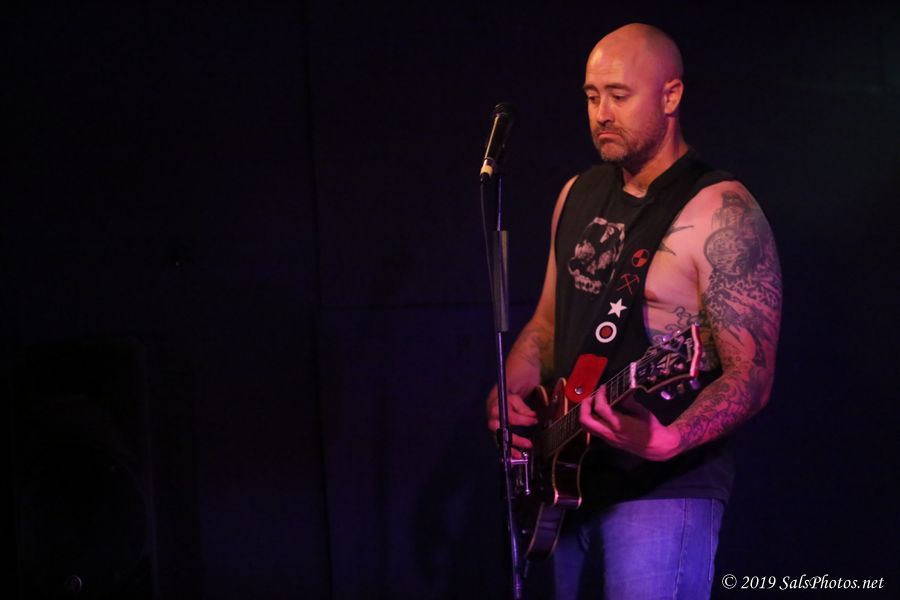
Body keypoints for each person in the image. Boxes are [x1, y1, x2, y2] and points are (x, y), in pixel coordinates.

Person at [485, 23, 782, 599]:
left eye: (619, 96)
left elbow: (753, 372)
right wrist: (511, 387)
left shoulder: (721, 211)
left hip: (663, 487)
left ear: (671, 96)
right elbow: (547, 323)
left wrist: (669, 439)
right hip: (563, 485)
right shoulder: (577, 192)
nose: (602, 113)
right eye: (592, 96)